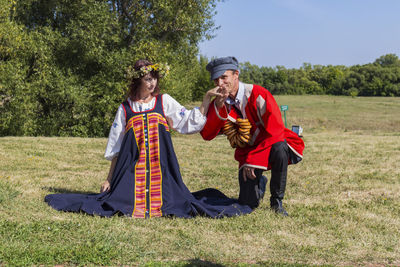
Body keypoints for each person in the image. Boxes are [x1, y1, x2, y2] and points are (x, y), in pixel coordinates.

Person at [45, 59, 253, 218]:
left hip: (162, 172)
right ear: (138, 80)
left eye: (154, 78)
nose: (152, 83)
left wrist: (206, 100)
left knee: (178, 202)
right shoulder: (126, 108)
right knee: (116, 203)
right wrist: (109, 178)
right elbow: (116, 146)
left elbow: (190, 122)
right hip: (131, 172)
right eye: (147, 79)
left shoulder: (164, 102)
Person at [200, 56, 305, 216]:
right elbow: (207, 135)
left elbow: (276, 132)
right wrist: (215, 105)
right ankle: (260, 183)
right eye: (216, 80)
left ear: (236, 74)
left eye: (224, 77)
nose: (220, 84)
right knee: (247, 203)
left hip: (270, 144)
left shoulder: (258, 93)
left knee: (280, 148)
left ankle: (277, 201)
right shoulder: (221, 102)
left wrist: (253, 160)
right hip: (247, 151)